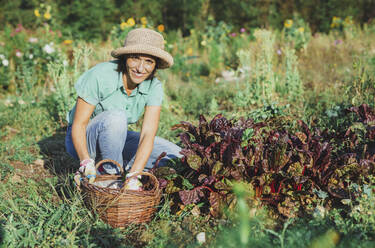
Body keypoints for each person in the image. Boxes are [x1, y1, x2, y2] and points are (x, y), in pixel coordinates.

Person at [65, 28, 182, 189]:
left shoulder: (154, 87)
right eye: (135, 58)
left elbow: (148, 134)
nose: (141, 68)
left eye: (149, 61)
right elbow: (79, 124)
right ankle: (109, 176)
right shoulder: (101, 75)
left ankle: (125, 170)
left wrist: (135, 174)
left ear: (155, 65)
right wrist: (85, 161)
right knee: (116, 118)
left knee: (176, 156)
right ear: (125, 58)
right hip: (84, 140)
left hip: (115, 139)